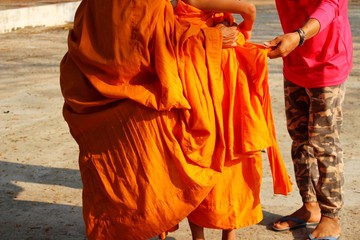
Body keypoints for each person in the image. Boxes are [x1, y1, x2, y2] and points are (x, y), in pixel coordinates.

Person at [60, 0, 291, 239]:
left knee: (126, 175)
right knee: (171, 161)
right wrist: (214, 35)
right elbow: (151, 36)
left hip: (103, 92)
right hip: (139, 95)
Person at [265, 0, 353, 239]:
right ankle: (310, 206)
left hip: (328, 63)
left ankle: (331, 216)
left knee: (323, 143)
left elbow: (329, 6)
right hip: (294, 61)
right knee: (299, 137)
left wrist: (299, 35)